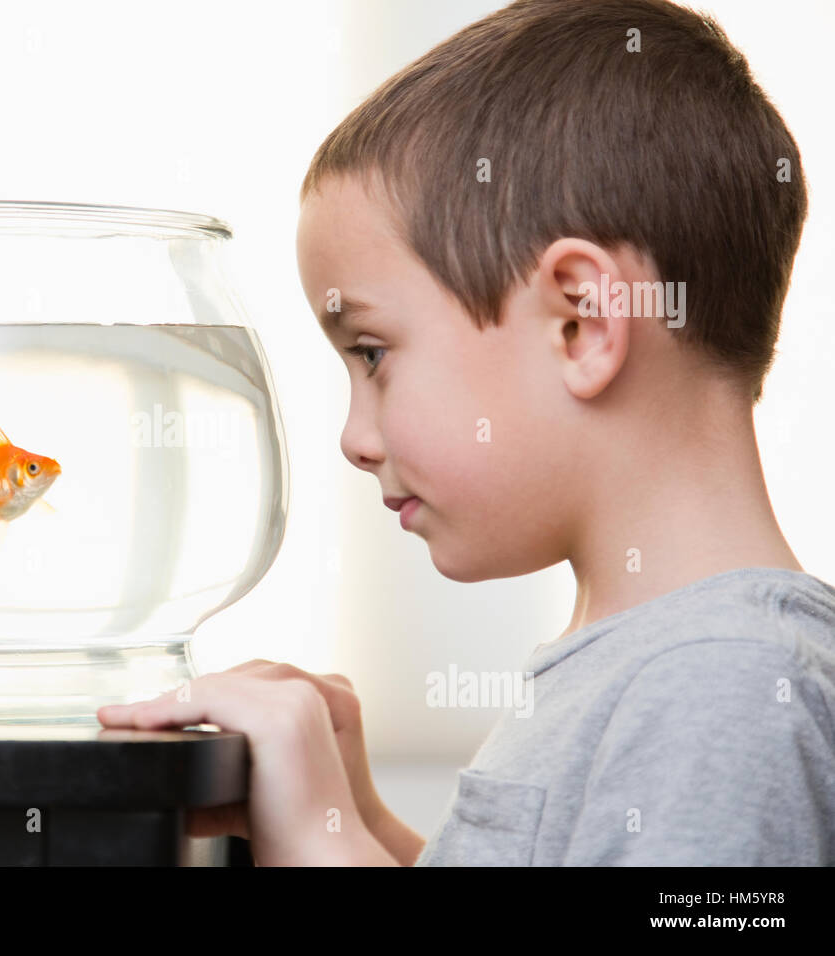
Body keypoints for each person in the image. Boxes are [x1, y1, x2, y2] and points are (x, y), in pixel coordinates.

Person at [99, 0, 835, 866]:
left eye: (372, 353)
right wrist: (357, 825)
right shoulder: (660, 664)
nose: (354, 439)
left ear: (583, 323)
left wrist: (314, 848)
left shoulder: (719, 685)